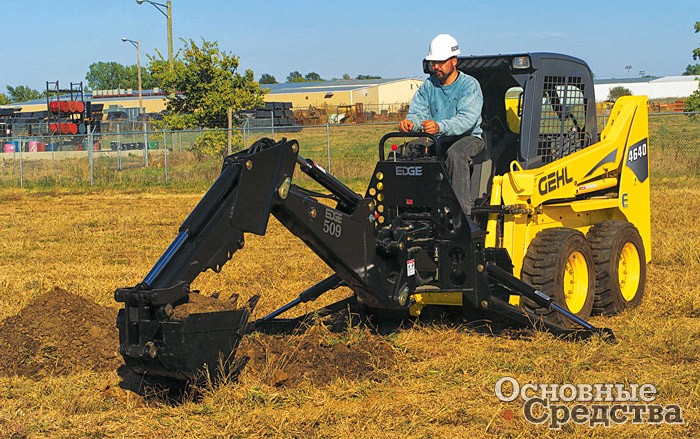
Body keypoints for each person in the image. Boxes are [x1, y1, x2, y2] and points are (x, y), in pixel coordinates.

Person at [398, 34, 484, 214]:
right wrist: (411, 123)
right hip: (438, 138)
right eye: (432, 62)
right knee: (402, 152)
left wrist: (440, 127)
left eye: (440, 62)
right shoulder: (428, 86)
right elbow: (418, 112)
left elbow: (467, 119)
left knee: (455, 154)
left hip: (468, 136)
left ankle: (461, 214)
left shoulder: (469, 86)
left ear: (454, 61)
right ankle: (406, 207)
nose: (435, 66)